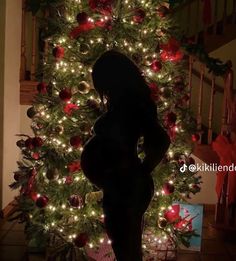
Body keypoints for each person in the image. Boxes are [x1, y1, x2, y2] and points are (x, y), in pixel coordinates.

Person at [81, 50, 170, 261]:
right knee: (126, 248)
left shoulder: (134, 105)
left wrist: (139, 172)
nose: (100, 88)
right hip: (120, 187)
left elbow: (161, 141)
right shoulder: (125, 102)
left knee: (127, 252)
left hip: (125, 189)